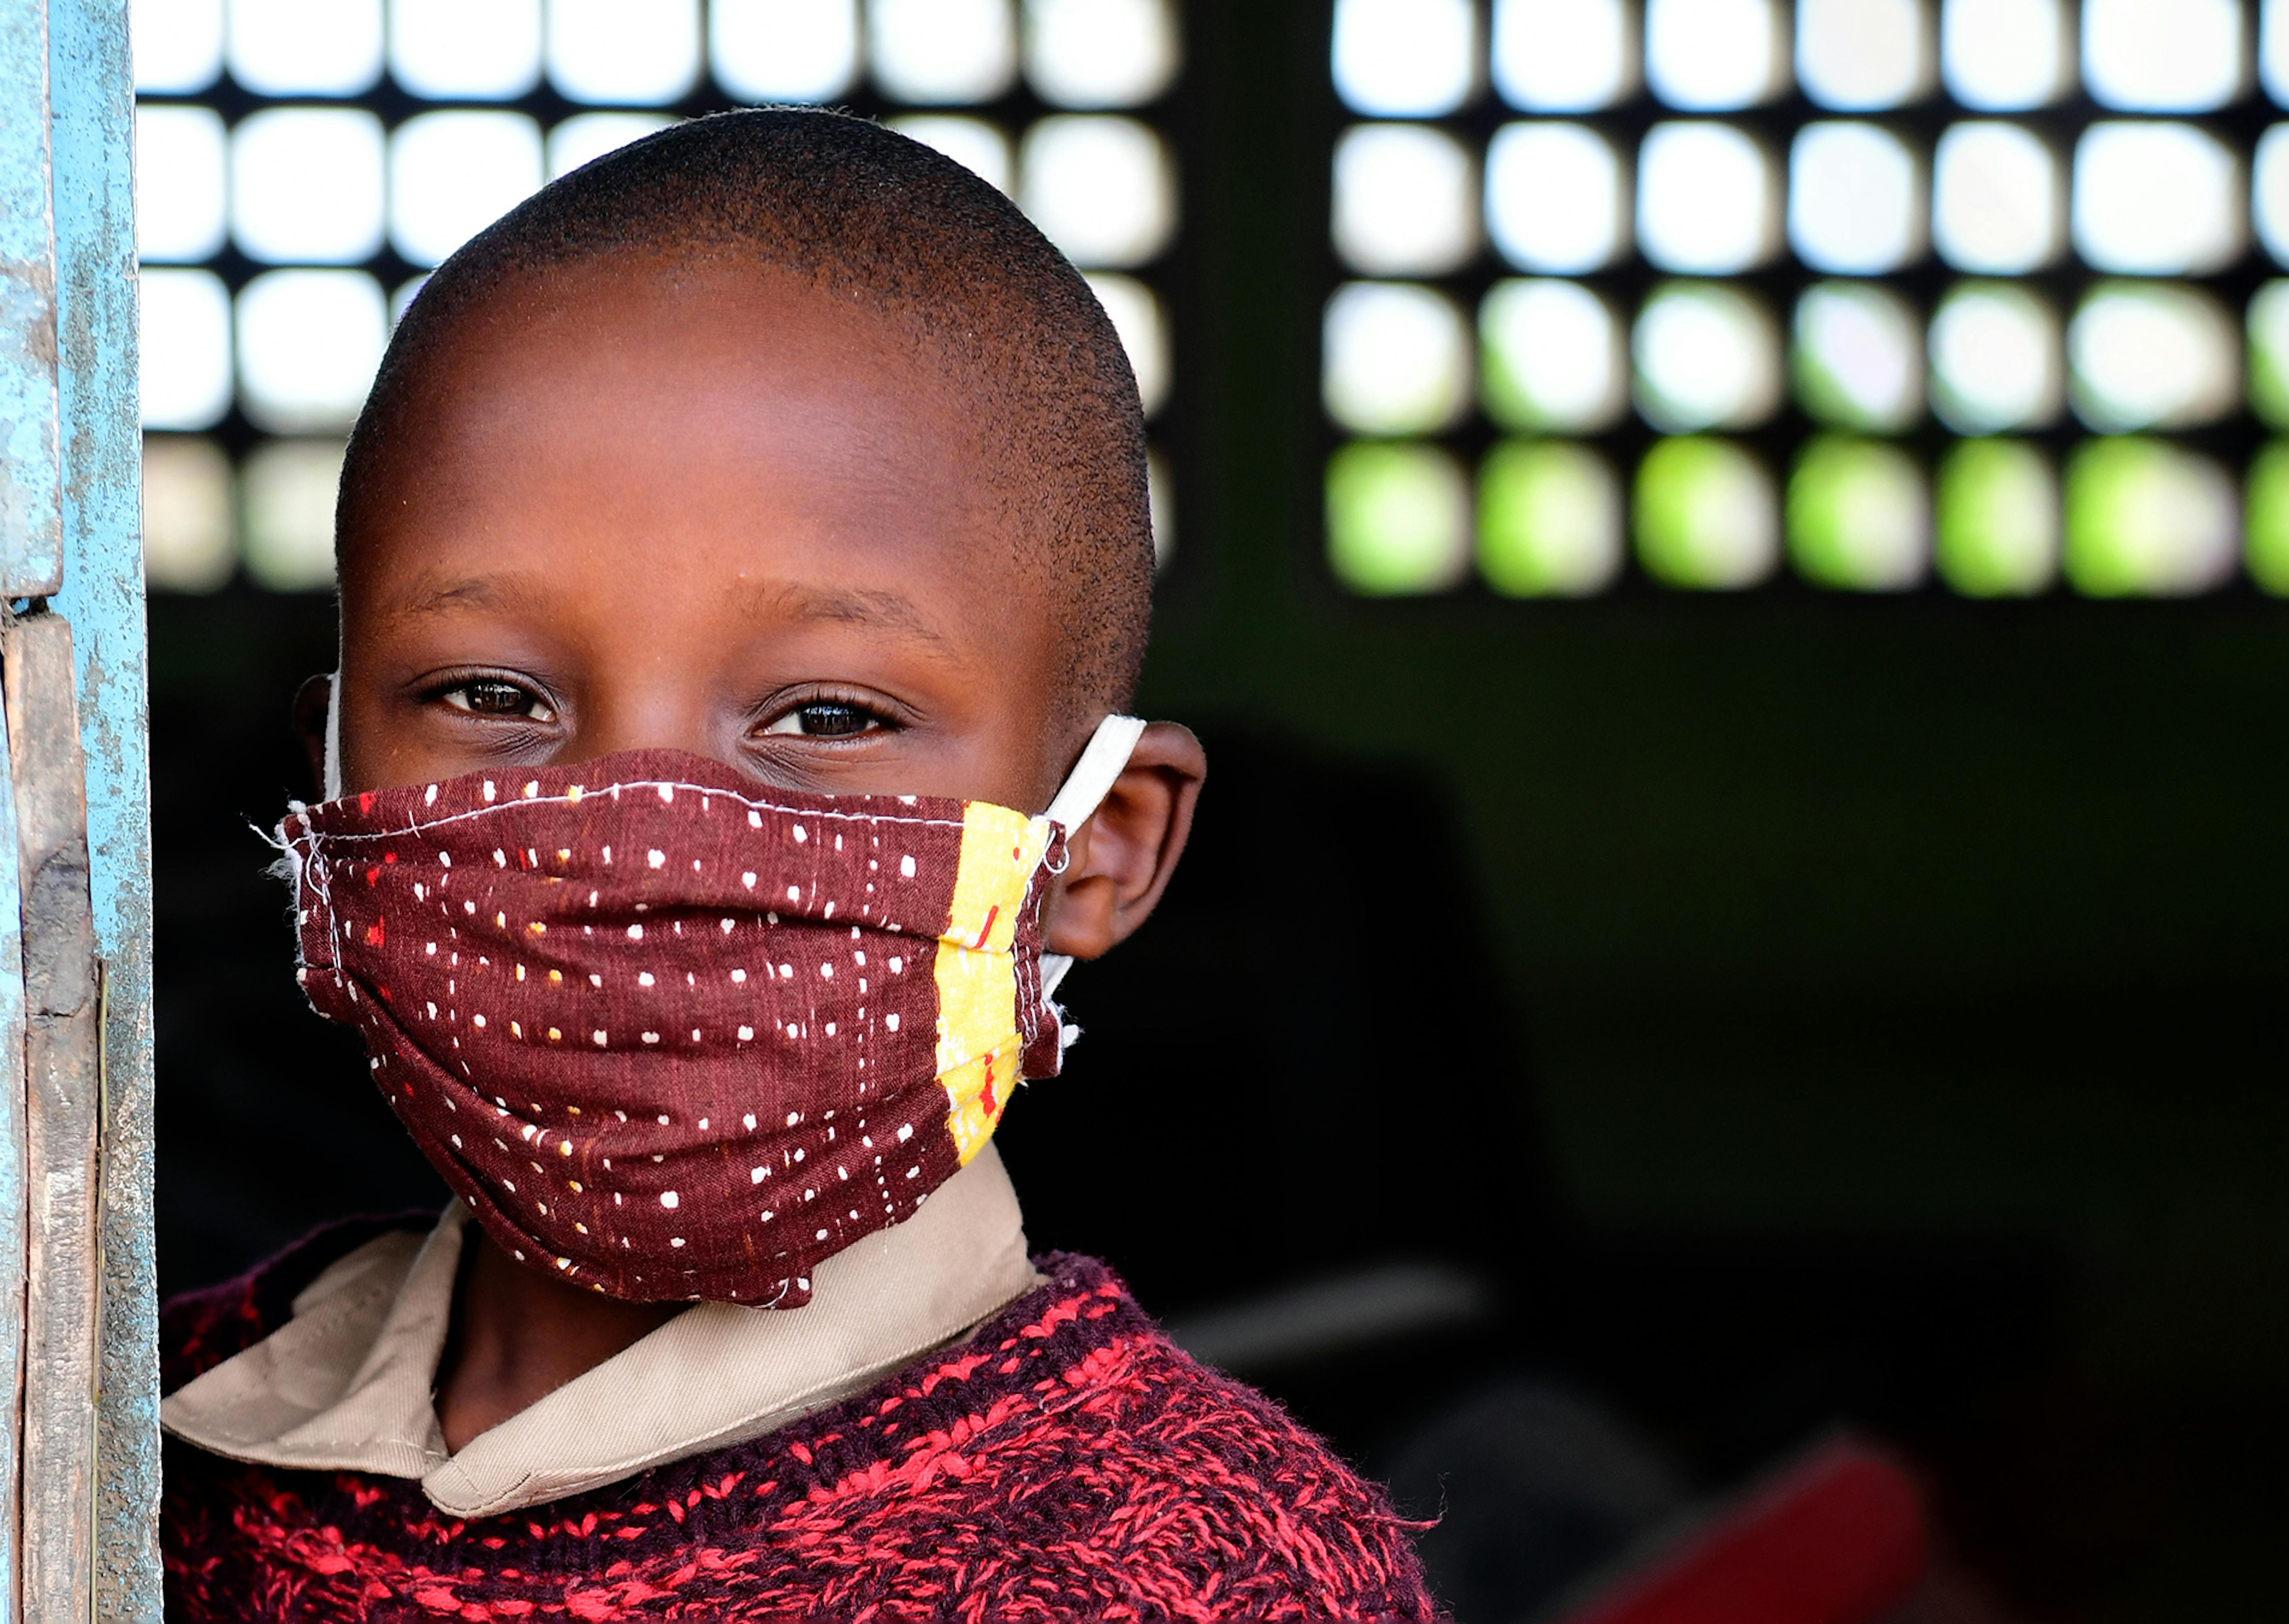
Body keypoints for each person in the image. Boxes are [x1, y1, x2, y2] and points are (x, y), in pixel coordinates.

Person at [158, 109, 1441, 1622]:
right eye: (491, 697)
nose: (632, 836)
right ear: (328, 787)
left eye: (827, 715)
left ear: (1097, 849)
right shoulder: (116, 1427)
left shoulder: (1218, 1580)